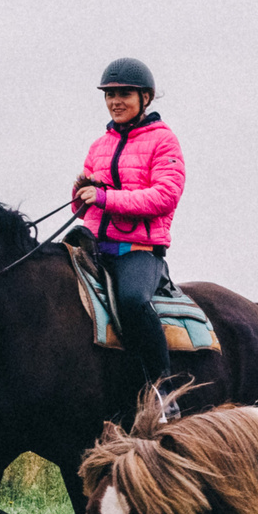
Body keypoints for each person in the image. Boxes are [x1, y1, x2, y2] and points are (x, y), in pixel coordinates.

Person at [72, 58, 186, 389]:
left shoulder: (164, 141)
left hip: (139, 251)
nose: (115, 101)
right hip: (93, 246)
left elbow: (165, 196)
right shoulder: (99, 145)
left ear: (145, 98)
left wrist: (107, 198)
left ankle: (162, 391)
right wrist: (80, 192)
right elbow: (83, 207)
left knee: (134, 301)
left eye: (124, 93)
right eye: (109, 95)